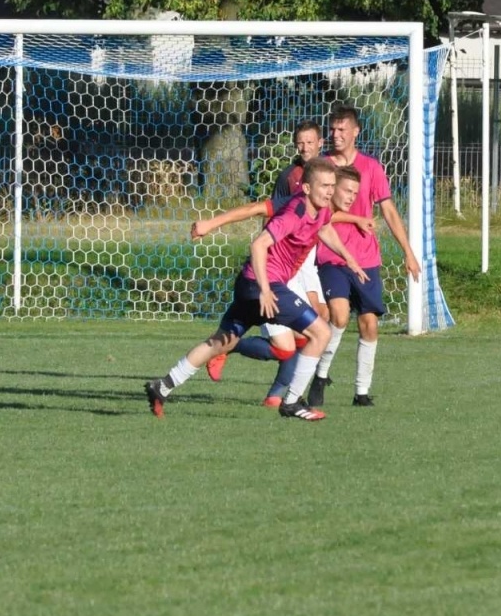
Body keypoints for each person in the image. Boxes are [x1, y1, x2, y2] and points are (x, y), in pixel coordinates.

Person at [145, 158, 368, 422]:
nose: (330, 191)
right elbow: (258, 245)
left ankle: (163, 386)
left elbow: (325, 228)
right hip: (263, 284)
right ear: (307, 188)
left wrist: (349, 258)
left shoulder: (320, 211)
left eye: (333, 186)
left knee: (221, 341)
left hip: (250, 283)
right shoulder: (293, 214)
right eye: (325, 186)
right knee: (321, 332)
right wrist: (265, 289)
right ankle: (291, 401)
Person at [191, 120, 331, 397]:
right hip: (277, 267)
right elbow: (259, 210)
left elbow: (330, 220)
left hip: (306, 260)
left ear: (320, 144)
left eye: (310, 142)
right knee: (293, 342)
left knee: (316, 326)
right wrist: (211, 223)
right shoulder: (290, 179)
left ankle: (279, 396)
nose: (304, 148)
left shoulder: (329, 174)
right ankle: (234, 354)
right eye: (300, 143)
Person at [308, 106, 421, 408]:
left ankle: (361, 392)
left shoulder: (371, 168)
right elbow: (320, 214)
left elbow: (389, 212)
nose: (336, 134)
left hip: (366, 259)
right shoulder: (323, 167)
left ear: (356, 132)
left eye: (342, 129)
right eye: (333, 129)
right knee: (339, 315)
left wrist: (408, 252)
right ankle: (320, 375)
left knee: (369, 324)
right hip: (332, 255)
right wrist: (355, 219)